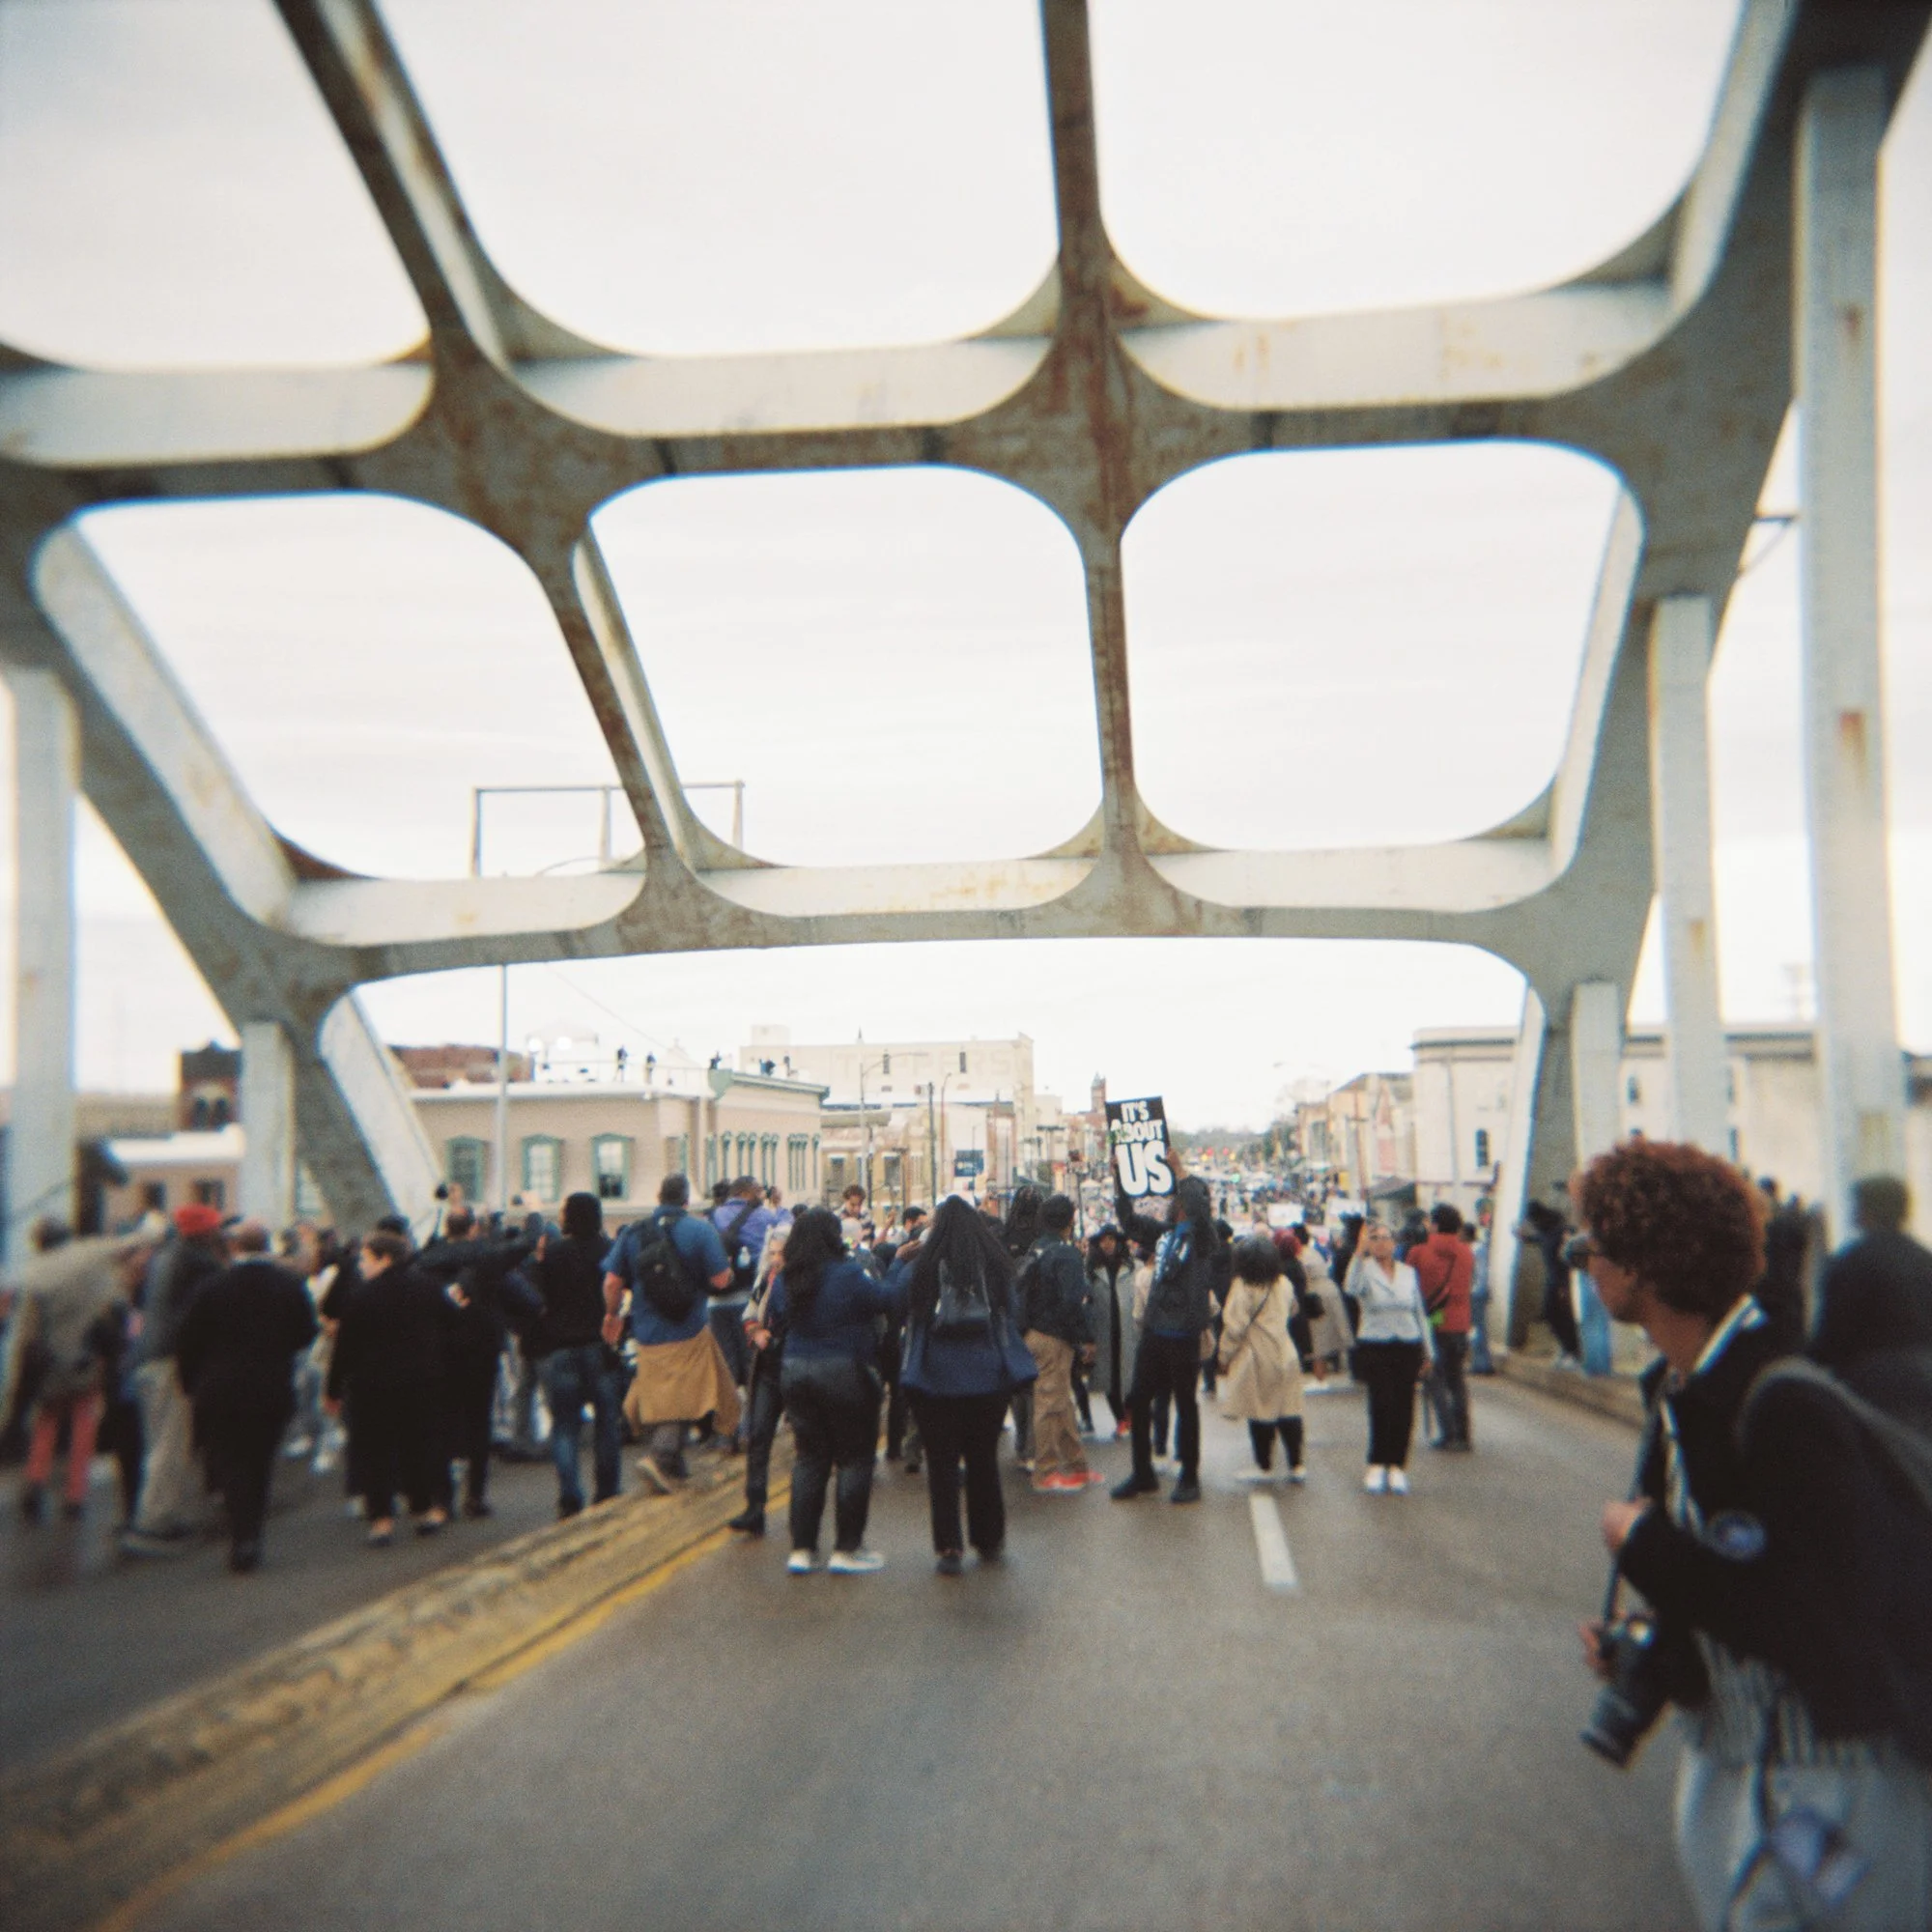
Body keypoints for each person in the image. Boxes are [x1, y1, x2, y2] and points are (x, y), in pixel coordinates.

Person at [1576, 1140, 1932, 1932]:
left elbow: (1816, 1622)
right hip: (1744, 1771)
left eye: (1588, 1247)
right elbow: (1738, 1596)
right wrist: (1654, 1653)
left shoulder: (1780, 1406)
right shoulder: (1684, 1394)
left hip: (1838, 1786)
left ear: (1637, 1265)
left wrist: (1647, 1551)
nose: (1582, 1265)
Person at [895, 1196, 1038, 1574]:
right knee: (983, 1461)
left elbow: (897, 1301)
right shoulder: (994, 1265)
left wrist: (898, 1259)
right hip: (988, 1378)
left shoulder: (923, 1266)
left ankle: (948, 1546)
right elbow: (1012, 1310)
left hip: (935, 1380)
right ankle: (988, 1539)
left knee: (941, 1465)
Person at [763, 1208, 905, 1575]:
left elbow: (777, 1317)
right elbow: (885, 1301)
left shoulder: (786, 1279)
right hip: (844, 1370)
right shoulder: (848, 1275)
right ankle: (846, 1549)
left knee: (809, 1459)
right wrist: (901, 1265)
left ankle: (802, 1550)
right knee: (854, 1459)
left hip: (795, 1370)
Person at [173, 1221, 318, 1573]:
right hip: (270, 1386)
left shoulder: (212, 1288)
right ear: (267, 1245)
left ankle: (240, 1536)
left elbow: (187, 1339)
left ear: (235, 1248)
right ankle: (252, 1531)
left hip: (219, 1387)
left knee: (229, 1460)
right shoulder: (288, 1286)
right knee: (260, 1461)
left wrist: (190, 1382)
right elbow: (306, 1332)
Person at [2, 1220, 155, 1524]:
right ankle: (75, 1495)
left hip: (50, 1361)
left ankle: (35, 1480)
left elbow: (28, 1332)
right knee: (84, 1423)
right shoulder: (89, 1253)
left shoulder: (33, 1274)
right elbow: (136, 1241)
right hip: (87, 1356)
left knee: (46, 1423)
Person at [603, 1175, 736, 1492]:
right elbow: (720, 1279)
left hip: (646, 1332)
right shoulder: (700, 1230)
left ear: (658, 1196)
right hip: (688, 1326)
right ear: (686, 1200)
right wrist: (726, 1272)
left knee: (659, 1395)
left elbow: (611, 1282)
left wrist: (611, 1314)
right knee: (687, 1396)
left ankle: (674, 1467)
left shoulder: (634, 1232)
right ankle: (661, 1458)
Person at [327, 1229, 452, 1545]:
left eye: (366, 1259)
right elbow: (452, 1323)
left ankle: (381, 1519)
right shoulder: (427, 1287)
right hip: (421, 1380)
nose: (361, 1266)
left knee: (375, 1452)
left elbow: (345, 1348)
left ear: (384, 1258)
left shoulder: (362, 1296)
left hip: (372, 1385)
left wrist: (333, 1389)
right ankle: (422, 1510)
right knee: (418, 1447)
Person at [121, 1205, 227, 1551]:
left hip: (148, 1357)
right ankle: (155, 1520)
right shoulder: (198, 1261)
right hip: (171, 1359)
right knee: (171, 1442)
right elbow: (219, 1296)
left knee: (158, 1440)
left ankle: (160, 1512)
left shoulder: (165, 1256)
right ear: (205, 1232)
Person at [1112, 1174, 1219, 1505]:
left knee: (1185, 1403)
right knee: (1139, 1400)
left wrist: (1182, 1173)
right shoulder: (1164, 1236)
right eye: (1179, 1199)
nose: (1180, 1205)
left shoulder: (1204, 1239)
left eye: (1186, 1200)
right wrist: (1120, 1179)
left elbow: (1199, 1212)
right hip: (1156, 1331)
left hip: (1184, 1333)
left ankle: (1189, 1475)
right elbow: (1130, 1222)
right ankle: (1142, 1472)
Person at [529, 1192, 622, 1520]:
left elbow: (540, 1297)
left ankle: (570, 1495)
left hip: (562, 1346)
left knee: (565, 1426)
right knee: (606, 1422)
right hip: (600, 1345)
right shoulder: (609, 1250)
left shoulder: (552, 1254)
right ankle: (607, 1490)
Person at [1018, 1194, 1099, 1492]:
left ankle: (1076, 1464)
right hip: (1054, 1336)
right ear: (1070, 1220)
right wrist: (1085, 1337)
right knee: (1050, 1403)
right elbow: (1072, 1301)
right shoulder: (1066, 1254)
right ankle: (1046, 1471)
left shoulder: (1037, 1248)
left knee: (1062, 1403)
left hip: (1034, 1332)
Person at [1810, 1174, 1932, 1371]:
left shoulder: (1851, 1263)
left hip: (1867, 1386)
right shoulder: (1926, 1260)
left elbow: (1832, 1340)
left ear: (1866, 1210)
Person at [1345, 1222, 1431, 1493]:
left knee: (1405, 1406)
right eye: (1375, 1238)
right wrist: (1359, 1254)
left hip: (1407, 1343)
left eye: (1386, 1238)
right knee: (1381, 1403)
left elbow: (1420, 1312)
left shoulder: (1408, 1272)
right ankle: (1377, 1463)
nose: (1381, 1243)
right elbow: (1351, 1289)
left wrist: (1429, 1351)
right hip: (1376, 1343)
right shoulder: (1364, 1271)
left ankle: (1397, 1465)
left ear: (1395, 1243)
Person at [1219, 1236, 1305, 1483]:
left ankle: (1264, 1465)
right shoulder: (1284, 1283)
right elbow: (1294, 1310)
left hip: (1257, 1354)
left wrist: (1224, 1355)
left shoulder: (1243, 1285)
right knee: (1289, 1409)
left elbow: (1235, 1326)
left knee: (1260, 1410)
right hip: (1286, 1352)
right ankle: (1296, 1464)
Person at [710, 1178, 777, 1440]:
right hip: (749, 1300)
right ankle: (751, 1429)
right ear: (748, 1192)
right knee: (752, 1367)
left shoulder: (715, 1215)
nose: (762, 1194)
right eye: (759, 1190)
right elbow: (770, 1258)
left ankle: (728, 1431)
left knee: (726, 1367)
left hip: (716, 1302)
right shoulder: (763, 1216)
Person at [1409, 1204, 1474, 1450]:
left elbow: (1411, 1286)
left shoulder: (1419, 1253)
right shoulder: (1466, 1253)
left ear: (1434, 1225)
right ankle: (1463, 1433)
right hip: (1460, 1322)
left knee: (1435, 1379)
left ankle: (1447, 1433)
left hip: (1433, 1322)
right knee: (1457, 1379)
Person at [1000, 1187, 1045, 1467]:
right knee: (1036, 1386)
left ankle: (1022, 1441)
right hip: (1039, 1319)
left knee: (1017, 1385)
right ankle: (1032, 1445)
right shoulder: (1042, 1239)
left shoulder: (1005, 1236)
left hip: (1010, 1318)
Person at [1084, 1224, 1134, 1436]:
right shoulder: (1091, 1271)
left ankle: (1130, 1417)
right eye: (1104, 1240)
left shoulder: (1132, 1267)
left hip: (1128, 1331)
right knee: (1108, 1378)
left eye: (1112, 1239)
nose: (1108, 1243)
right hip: (1103, 1331)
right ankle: (1121, 1418)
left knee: (1129, 1376)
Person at [1520, 1199, 1583, 1367]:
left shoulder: (1558, 1231)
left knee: (1563, 1316)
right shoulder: (1545, 1232)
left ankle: (1574, 1352)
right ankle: (1567, 1348)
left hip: (1562, 1280)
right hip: (1553, 1279)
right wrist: (1523, 1237)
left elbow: (1569, 1244)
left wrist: (1564, 1284)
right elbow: (1537, 1239)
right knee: (1551, 1314)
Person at [1465, 1209, 1496, 1375]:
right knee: (1476, 1329)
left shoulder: (1477, 1250)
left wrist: (1476, 1290)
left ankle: (1482, 1363)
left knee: (1477, 1329)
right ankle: (1480, 1362)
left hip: (1476, 1293)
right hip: (1475, 1292)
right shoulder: (1476, 1249)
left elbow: (1481, 1273)